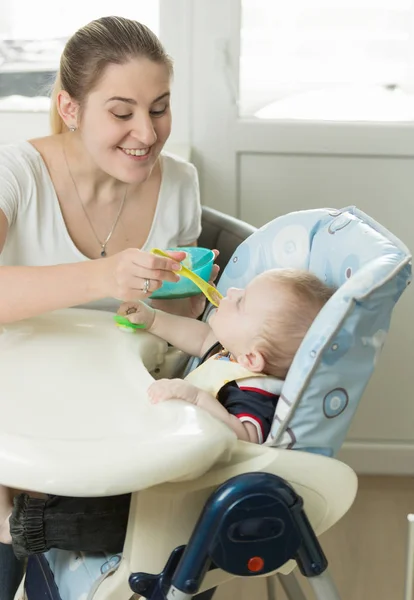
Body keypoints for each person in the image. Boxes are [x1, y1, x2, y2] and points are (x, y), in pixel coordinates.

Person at [0, 15, 214, 598]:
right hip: (19, 412)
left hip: (118, 416)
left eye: (160, 108)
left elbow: (181, 324)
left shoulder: (179, 183)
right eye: (122, 112)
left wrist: (191, 292)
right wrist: (103, 273)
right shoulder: (16, 174)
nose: (146, 133)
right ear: (71, 108)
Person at [0, 268, 335, 564]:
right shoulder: (229, 352)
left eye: (243, 301)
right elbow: (201, 336)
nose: (231, 292)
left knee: (120, 522)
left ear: (252, 358)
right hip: (161, 461)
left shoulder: (255, 392)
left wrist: (198, 400)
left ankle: (19, 526)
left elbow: (246, 439)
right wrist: (153, 320)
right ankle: (43, 488)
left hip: (188, 496)